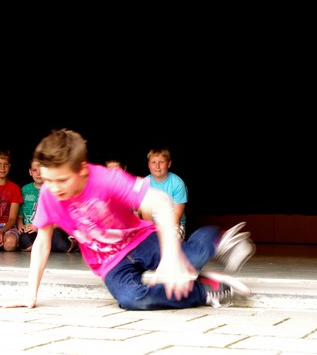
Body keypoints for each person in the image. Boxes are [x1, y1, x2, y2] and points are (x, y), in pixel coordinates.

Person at [15, 129, 256, 311]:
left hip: (140, 239)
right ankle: (204, 289)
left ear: (82, 170)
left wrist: (171, 259)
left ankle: (217, 238)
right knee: (132, 298)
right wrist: (30, 295)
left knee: (190, 258)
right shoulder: (48, 195)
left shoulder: (107, 179)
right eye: (48, 180)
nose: (54, 188)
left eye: (62, 180)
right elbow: (42, 243)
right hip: (110, 262)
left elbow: (161, 201)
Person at [17, 158, 75, 253]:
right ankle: (46, 245)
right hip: (30, 229)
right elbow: (20, 215)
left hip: (51, 228)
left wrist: (39, 227)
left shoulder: (54, 189)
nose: (38, 174)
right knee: (25, 243)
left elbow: (61, 218)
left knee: (62, 246)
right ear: (30, 172)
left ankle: (74, 243)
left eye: (41, 170)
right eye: (35, 170)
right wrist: (20, 225)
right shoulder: (25, 190)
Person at [146, 147, 188, 240]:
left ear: (169, 164)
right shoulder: (144, 183)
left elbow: (177, 214)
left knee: (170, 241)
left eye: (161, 162)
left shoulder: (177, 183)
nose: (157, 166)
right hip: (152, 223)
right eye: (153, 162)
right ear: (149, 165)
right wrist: (150, 229)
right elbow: (143, 212)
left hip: (174, 222)